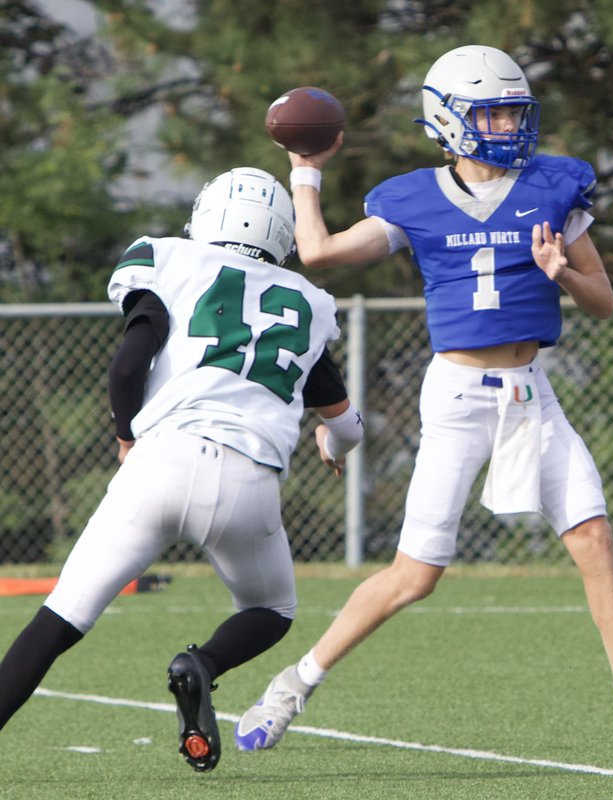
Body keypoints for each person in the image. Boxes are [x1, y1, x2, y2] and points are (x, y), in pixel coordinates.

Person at [234, 45, 613, 758]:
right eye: (491, 111)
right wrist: (305, 171)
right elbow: (316, 254)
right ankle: (293, 684)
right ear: (448, 121)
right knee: (416, 575)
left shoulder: (555, 186)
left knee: (595, 541)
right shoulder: (413, 197)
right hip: (460, 397)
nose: (508, 124)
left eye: (513, 109)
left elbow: (604, 302)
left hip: (533, 395)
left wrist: (563, 272)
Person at [0, 167, 363, 773]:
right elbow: (347, 425)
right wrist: (333, 444)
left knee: (59, 619)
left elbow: (126, 369)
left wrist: (124, 436)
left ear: (205, 215)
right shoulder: (309, 303)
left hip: (161, 460)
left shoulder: (166, 259)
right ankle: (204, 664)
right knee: (272, 611)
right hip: (249, 480)